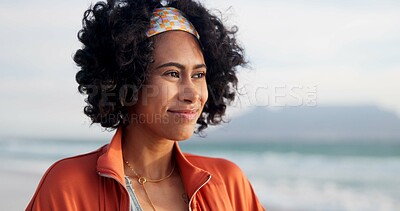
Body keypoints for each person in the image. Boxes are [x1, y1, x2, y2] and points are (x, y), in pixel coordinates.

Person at [26, 0, 265, 210]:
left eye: (199, 75)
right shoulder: (68, 186)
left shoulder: (228, 183)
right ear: (127, 80)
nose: (192, 94)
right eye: (172, 73)